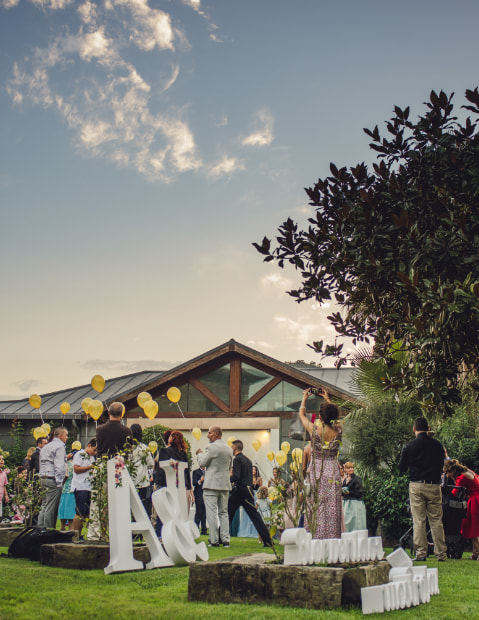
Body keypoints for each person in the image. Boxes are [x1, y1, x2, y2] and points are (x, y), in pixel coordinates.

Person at [398, 416, 447, 561]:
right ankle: (441, 553)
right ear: (428, 428)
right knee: (436, 520)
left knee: (418, 520)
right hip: (434, 484)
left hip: (417, 484)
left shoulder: (409, 446)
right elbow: (441, 465)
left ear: (414, 429)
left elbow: (401, 467)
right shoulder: (437, 445)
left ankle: (421, 553)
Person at [298, 388, 343, 539]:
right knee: (332, 507)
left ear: (320, 417)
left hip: (317, 469)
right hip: (333, 470)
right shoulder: (338, 430)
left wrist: (305, 397)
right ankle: (332, 537)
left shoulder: (315, 429)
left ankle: (315, 537)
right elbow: (335, 418)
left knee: (315, 505)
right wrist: (328, 399)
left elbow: (301, 415)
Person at [228, 440, 273, 547]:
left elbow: (236, 477)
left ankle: (220, 538)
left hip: (239, 490)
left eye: (231, 447)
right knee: (255, 516)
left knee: (228, 513)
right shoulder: (248, 460)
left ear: (234, 448)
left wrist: (228, 477)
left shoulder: (237, 460)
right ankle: (267, 540)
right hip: (248, 490)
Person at [197, 426, 233, 547]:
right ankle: (226, 539)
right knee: (224, 513)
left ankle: (214, 540)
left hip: (211, 484)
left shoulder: (211, 447)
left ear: (216, 434)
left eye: (210, 433)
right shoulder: (229, 449)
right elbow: (229, 467)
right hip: (224, 484)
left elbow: (202, 463)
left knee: (211, 513)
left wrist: (199, 454)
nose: (208, 435)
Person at [443, 459, 479, 560]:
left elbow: (454, 492)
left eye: (447, 473)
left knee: (473, 527)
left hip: (475, 500)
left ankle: (477, 553)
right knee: (473, 526)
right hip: (475, 498)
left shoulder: (461, 477)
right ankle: (475, 553)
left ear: (452, 471)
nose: (447, 475)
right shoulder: (468, 471)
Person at [37, 426, 68, 529]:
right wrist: (60, 482)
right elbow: (59, 466)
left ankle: (40, 528)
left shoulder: (46, 446)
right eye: (66, 435)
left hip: (43, 477)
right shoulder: (59, 447)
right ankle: (48, 530)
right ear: (61, 435)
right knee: (51, 507)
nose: (67, 438)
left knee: (44, 505)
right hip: (52, 478)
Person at [157, 430, 194, 510]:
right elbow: (187, 472)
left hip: (168, 484)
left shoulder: (164, 451)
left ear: (172, 438)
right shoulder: (183, 454)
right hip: (183, 486)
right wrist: (189, 488)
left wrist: (157, 482)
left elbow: (160, 470)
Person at [71, 439, 97, 538]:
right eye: (94, 450)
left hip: (89, 486)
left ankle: (81, 533)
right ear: (89, 446)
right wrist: (90, 467)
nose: (94, 453)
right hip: (80, 486)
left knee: (86, 512)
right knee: (80, 512)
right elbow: (76, 469)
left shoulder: (92, 457)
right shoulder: (79, 454)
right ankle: (76, 534)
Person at [130, 424, 155, 517]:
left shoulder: (127, 448)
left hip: (130, 481)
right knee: (142, 507)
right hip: (142, 482)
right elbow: (151, 464)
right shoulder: (144, 448)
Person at [342, 461, 367, 532]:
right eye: (348, 468)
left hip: (355, 503)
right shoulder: (345, 480)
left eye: (352, 468)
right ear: (345, 469)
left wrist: (350, 492)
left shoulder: (357, 479)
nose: (350, 469)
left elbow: (360, 492)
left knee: (356, 523)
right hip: (346, 503)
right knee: (346, 524)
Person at [58, 451, 76, 531]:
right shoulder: (74, 465)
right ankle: (71, 529)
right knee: (71, 511)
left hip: (63, 489)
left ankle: (62, 526)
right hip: (71, 490)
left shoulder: (64, 464)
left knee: (63, 509)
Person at [192, 449, 208, 535]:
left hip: (206, 493)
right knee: (198, 511)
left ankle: (204, 529)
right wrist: (200, 481)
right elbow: (194, 482)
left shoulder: (208, 472)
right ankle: (196, 528)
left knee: (204, 512)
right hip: (199, 494)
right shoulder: (196, 472)